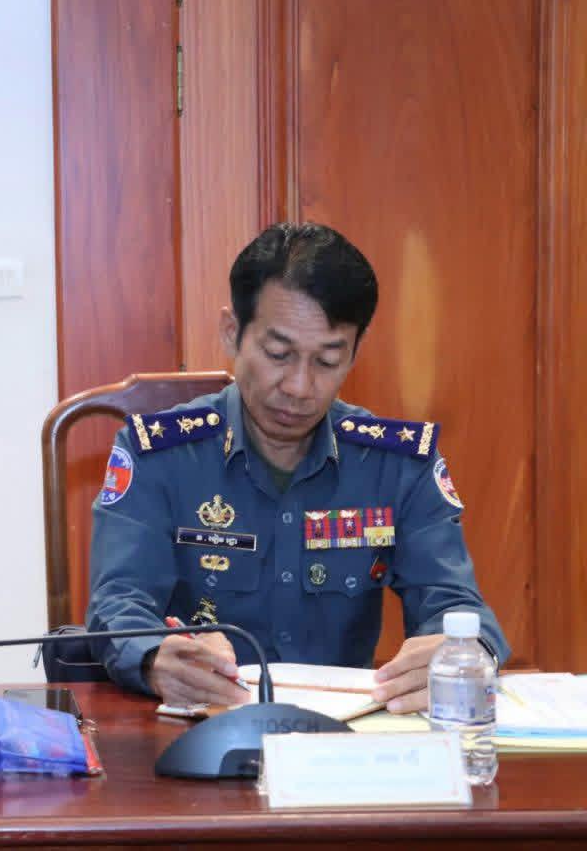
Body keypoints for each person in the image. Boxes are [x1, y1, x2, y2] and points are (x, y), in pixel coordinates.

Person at [87, 222, 508, 713]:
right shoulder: (159, 455)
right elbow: (118, 604)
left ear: (355, 353)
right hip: (197, 732)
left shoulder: (395, 465)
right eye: (278, 354)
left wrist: (461, 651)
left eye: (327, 361)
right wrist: (154, 657)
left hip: (342, 737)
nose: (299, 387)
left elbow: (457, 605)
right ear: (232, 333)